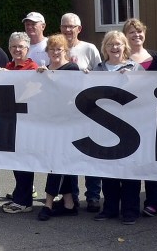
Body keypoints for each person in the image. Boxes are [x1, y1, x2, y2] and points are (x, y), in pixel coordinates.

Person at [91, 30, 144, 224]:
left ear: (125, 47)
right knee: (108, 171)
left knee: (130, 171)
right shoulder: (97, 69)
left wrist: (133, 79)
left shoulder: (136, 68)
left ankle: (130, 210)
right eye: (110, 44)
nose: (114, 48)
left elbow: (146, 92)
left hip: (130, 127)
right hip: (103, 127)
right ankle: (110, 208)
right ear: (104, 48)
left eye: (118, 44)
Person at [122, 17, 157, 217]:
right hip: (128, 118)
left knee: (151, 160)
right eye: (132, 32)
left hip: (152, 116)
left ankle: (154, 201)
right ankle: (130, 203)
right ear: (126, 36)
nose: (136, 35)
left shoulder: (156, 58)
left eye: (139, 31)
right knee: (131, 160)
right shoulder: (119, 59)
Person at [59, 12, 103, 210]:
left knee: (91, 153)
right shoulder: (56, 49)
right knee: (69, 155)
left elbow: (100, 73)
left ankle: (93, 196)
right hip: (65, 111)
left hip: (88, 109)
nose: (68, 30)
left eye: (72, 26)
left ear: (79, 29)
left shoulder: (89, 48)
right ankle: (71, 196)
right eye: (65, 26)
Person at [35, 34, 81, 221]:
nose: (55, 52)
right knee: (59, 162)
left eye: (59, 49)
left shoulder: (71, 68)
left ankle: (48, 203)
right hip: (49, 122)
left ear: (65, 51)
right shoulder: (44, 70)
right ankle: (69, 203)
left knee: (57, 162)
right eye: (51, 49)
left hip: (67, 122)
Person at [0, 31, 39, 214]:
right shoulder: (7, 66)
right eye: (14, 46)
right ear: (9, 48)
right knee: (16, 161)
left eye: (21, 47)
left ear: (27, 48)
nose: (17, 50)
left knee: (24, 162)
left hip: (27, 123)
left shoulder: (32, 68)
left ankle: (24, 201)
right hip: (11, 122)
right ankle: (19, 195)